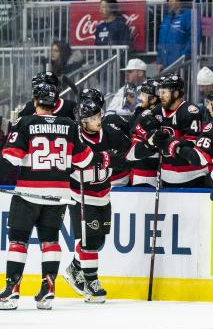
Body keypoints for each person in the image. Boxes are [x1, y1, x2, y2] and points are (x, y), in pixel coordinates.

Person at [0, 83, 96, 310]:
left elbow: (11, 158)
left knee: (18, 240)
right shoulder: (70, 125)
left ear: (35, 101)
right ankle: (48, 290)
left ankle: (12, 290)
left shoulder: (25, 123)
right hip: (59, 194)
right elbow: (84, 160)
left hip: (29, 192)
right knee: (50, 240)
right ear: (55, 103)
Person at [63, 98, 131, 303]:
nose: (97, 120)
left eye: (98, 115)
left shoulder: (110, 133)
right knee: (90, 241)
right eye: (92, 118)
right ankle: (92, 283)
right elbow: (68, 162)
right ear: (83, 122)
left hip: (103, 194)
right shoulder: (74, 137)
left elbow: (128, 151)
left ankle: (74, 268)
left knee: (98, 240)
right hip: (81, 196)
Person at [139, 73, 206, 187]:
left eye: (164, 92)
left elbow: (193, 145)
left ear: (175, 93)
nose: (161, 96)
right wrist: (151, 136)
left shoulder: (190, 111)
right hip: (166, 176)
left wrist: (168, 142)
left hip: (192, 176)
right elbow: (142, 132)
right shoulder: (157, 111)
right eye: (160, 92)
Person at [80, 87, 131, 187]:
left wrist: (118, 160)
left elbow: (129, 152)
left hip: (116, 180)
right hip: (91, 183)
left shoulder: (113, 123)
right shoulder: (76, 129)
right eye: (84, 101)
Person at [127, 79, 161, 187]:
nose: (140, 98)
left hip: (145, 173)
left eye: (143, 94)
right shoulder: (143, 111)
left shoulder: (148, 114)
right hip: (151, 171)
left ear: (153, 98)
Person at [156, 0, 200, 70]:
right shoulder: (167, 17)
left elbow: (194, 37)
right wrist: (159, 60)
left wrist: (185, 56)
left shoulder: (190, 15)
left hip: (182, 64)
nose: (170, 0)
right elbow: (161, 41)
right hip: (166, 64)